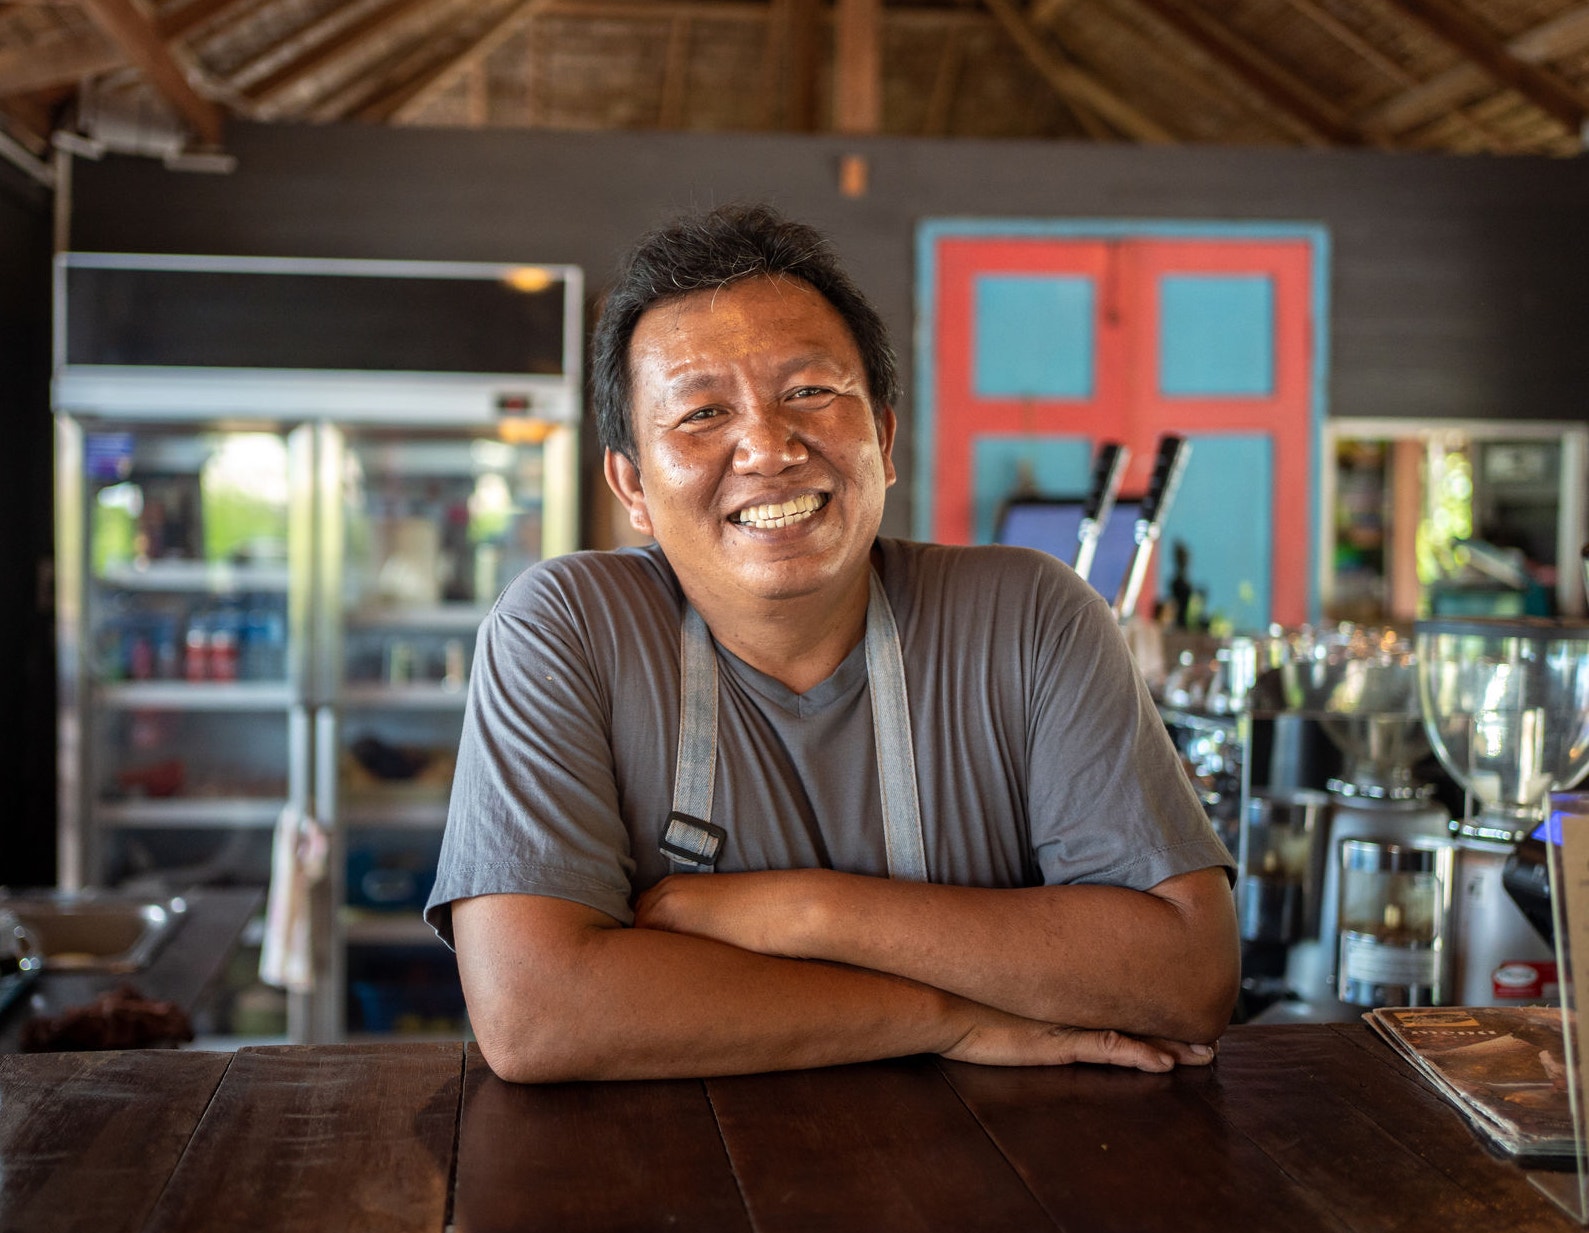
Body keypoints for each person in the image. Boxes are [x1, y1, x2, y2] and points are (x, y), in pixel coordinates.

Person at [425, 203, 1239, 1083]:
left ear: (882, 437)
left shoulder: (1030, 616)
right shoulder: (566, 631)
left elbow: (1186, 975)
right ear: (632, 484)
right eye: (700, 412)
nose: (768, 448)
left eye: (810, 392)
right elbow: (538, 1012)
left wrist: (807, 913)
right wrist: (945, 1018)